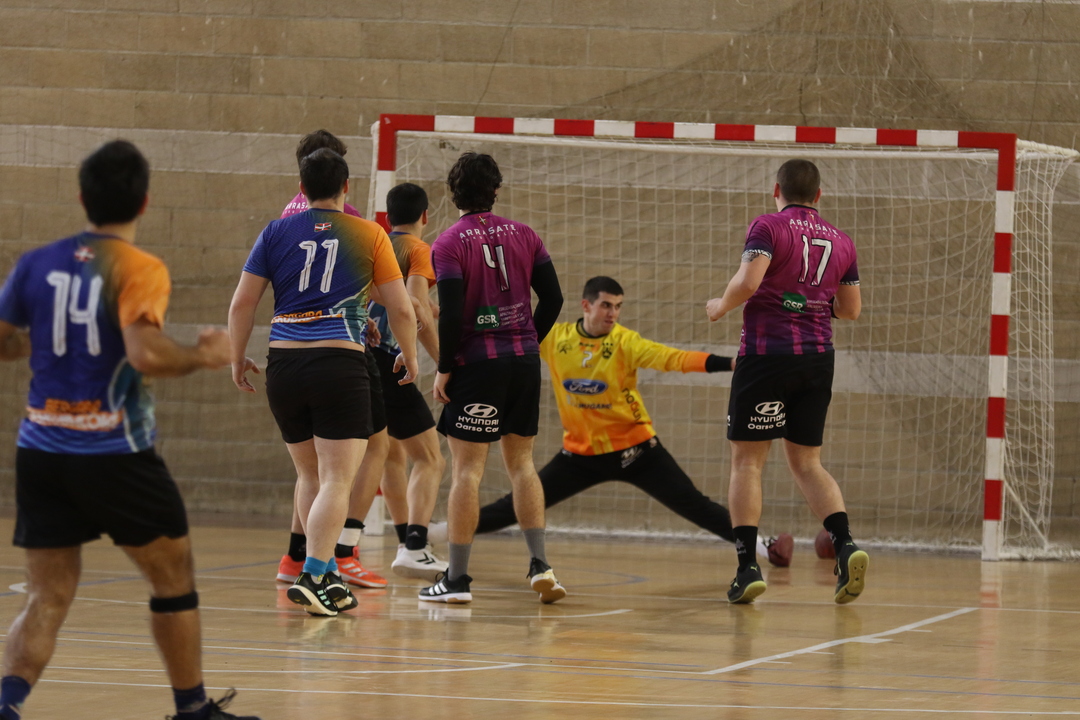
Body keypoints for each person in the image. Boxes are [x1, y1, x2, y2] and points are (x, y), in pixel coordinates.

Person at [0, 140, 258, 719]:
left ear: (81, 198)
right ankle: (191, 709)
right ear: (144, 202)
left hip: (40, 450)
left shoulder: (36, 263)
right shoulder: (139, 268)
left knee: (47, 595)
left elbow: (3, 340)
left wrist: (33, 345)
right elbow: (145, 354)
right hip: (113, 452)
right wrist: (204, 354)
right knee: (173, 579)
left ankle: (6, 706)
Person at [468, 276, 795, 568]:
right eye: (606, 305)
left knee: (696, 505)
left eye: (618, 306)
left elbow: (673, 358)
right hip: (580, 456)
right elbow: (511, 333)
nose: (613, 313)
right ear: (586, 305)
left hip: (636, 451)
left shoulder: (626, 342)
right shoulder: (555, 339)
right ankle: (441, 532)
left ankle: (764, 548)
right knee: (517, 503)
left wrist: (730, 363)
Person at [228, 148, 418, 616]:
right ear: (346, 187)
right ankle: (315, 574)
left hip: (283, 365)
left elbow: (242, 303)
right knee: (337, 477)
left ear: (302, 186)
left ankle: (322, 572)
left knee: (310, 475)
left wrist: (236, 358)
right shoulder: (368, 232)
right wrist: (410, 356)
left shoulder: (275, 231)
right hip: (338, 365)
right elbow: (400, 306)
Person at [706, 158, 867, 605]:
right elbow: (851, 310)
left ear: (776, 190)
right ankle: (845, 544)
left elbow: (748, 282)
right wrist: (812, 303)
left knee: (747, 463)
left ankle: (747, 567)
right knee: (808, 463)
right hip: (818, 360)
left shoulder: (768, 226)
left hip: (766, 356)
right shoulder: (842, 241)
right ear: (819, 195)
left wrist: (720, 306)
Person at [419, 152, 565, 604]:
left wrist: (445, 367)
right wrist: (527, 340)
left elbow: (452, 313)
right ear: (496, 189)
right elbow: (554, 299)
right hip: (523, 362)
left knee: (467, 470)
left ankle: (457, 580)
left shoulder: (447, 243)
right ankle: (540, 564)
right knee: (522, 464)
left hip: (478, 365)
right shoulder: (526, 234)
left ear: (453, 193)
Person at [273, 130, 389, 591]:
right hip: (340, 348)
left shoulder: (286, 216)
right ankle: (339, 555)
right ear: (342, 176)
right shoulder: (348, 218)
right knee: (370, 449)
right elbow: (363, 282)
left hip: (287, 350)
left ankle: (297, 555)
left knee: (311, 472)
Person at [365, 183, 448, 581]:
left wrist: (425, 305)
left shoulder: (375, 243)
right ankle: (415, 546)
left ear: (388, 214)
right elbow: (415, 310)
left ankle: (405, 543)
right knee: (431, 458)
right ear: (424, 216)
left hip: (360, 358)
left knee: (391, 455)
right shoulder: (418, 250)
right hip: (389, 360)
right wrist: (446, 363)